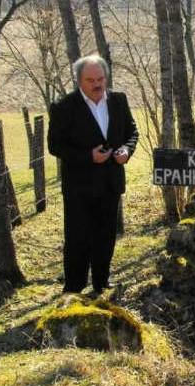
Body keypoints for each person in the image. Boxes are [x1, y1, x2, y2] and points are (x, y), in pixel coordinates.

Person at [48, 55, 138, 294]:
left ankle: (101, 282)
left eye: (100, 78)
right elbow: (55, 146)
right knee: (78, 238)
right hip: (79, 186)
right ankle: (74, 289)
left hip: (110, 183)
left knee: (106, 236)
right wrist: (89, 156)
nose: (97, 84)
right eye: (91, 80)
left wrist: (126, 150)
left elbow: (132, 132)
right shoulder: (64, 107)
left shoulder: (119, 101)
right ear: (79, 81)